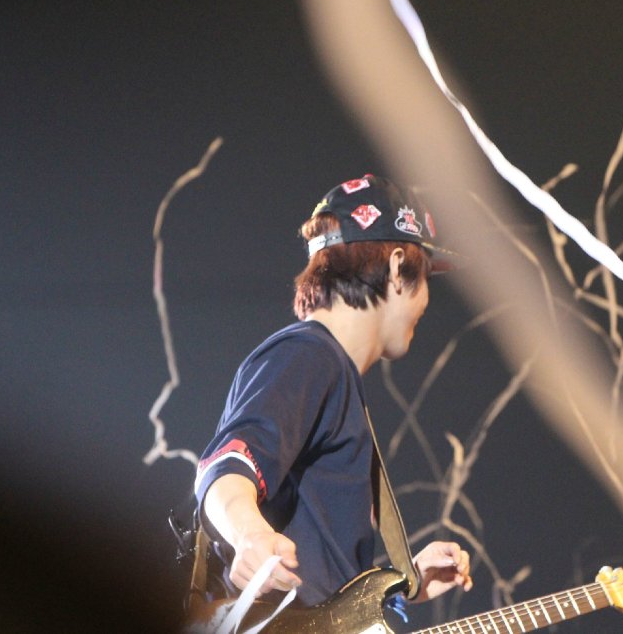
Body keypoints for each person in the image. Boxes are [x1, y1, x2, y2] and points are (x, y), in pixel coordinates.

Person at [193, 174, 472, 612]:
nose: (425, 301)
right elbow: (225, 466)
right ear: (397, 266)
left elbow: (326, 590)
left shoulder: (329, 368)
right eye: (426, 279)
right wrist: (248, 535)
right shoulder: (310, 355)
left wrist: (403, 585)